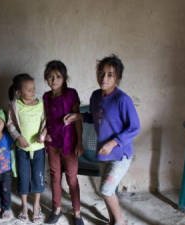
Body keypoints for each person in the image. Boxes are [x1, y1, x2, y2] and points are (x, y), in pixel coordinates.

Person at [90, 54, 140, 225]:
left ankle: (120, 222)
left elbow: (134, 127)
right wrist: (78, 116)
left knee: (106, 190)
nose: (104, 78)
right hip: (104, 153)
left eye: (110, 74)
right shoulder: (96, 96)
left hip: (120, 154)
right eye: (101, 73)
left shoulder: (122, 100)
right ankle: (112, 220)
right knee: (107, 190)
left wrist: (112, 143)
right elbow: (96, 117)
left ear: (117, 78)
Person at [42, 60, 84, 225]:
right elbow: (46, 119)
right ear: (46, 78)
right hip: (53, 144)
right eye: (50, 77)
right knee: (55, 177)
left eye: (58, 76)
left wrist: (79, 142)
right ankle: (57, 209)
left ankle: (77, 213)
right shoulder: (46, 97)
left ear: (64, 77)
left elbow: (77, 120)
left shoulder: (71, 94)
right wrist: (45, 135)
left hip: (69, 144)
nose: (54, 80)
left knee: (72, 178)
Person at [6, 74, 47, 223]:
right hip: (21, 149)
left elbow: (46, 122)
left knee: (38, 177)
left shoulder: (41, 104)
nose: (33, 92)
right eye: (28, 90)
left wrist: (43, 133)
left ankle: (36, 205)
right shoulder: (14, 105)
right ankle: (24, 206)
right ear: (18, 92)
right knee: (23, 177)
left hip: (38, 148)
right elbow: (9, 124)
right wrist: (18, 137)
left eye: (33, 88)